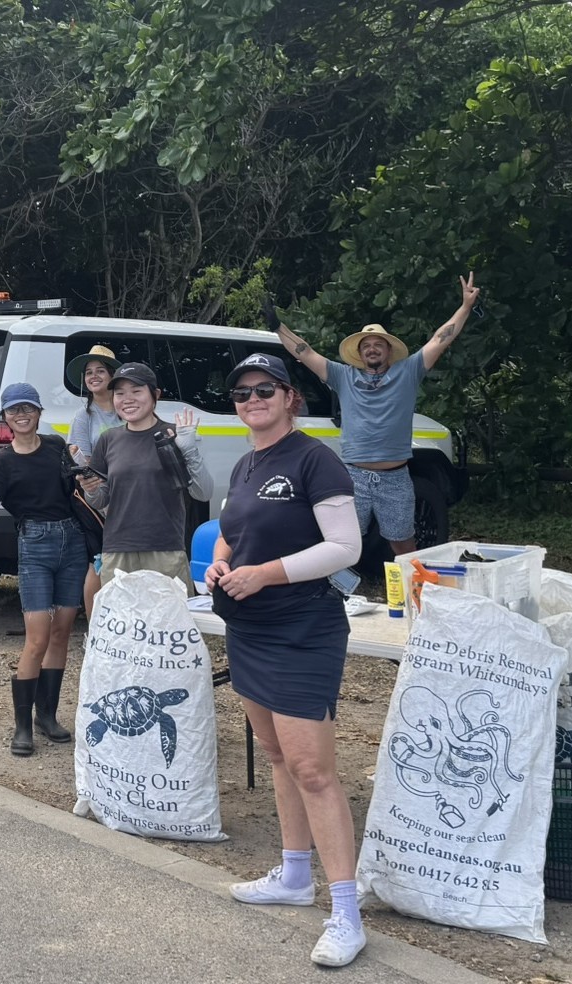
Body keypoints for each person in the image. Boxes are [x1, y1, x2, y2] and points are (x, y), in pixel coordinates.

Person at [202, 352, 365, 967]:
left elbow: (345, 547)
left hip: (302, 628)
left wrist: (267, 574)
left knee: (313, 769)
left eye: (264, 389)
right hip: (248, 624)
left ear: (290, 397)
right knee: (275, 755)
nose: (252, 400)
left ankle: (345, 912)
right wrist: (221, 561)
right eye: (242, 393)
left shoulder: (314, 459)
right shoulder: (246, 463)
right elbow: (230, 532)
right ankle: (295, 877)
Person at [273, 274, 481, 555]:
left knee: (403, 545)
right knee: (340, 546)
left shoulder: (408, 371)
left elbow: (440, 339)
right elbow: (305, 352)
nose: (372, 348)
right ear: (360, 353)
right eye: (366, 345)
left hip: (395, 478)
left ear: (388, 351)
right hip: (353, 476)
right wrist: (278, 327)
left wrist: (466, 306)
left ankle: (413, 595)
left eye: (378, 344)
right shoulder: (342, 375)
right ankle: (336, 596)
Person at [0, 383, 84, 756]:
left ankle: (46, 717)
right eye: (14, 410)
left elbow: (75, 493)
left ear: (38, 413)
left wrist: (81, 469)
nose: (22, 415)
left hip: (72, 541)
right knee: (37, 638)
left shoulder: (56, 446)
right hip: (34, 544)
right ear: (5, 418)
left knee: (62, 631)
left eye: (28, 408)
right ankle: (22, 726)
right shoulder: (0, 462)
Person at [77, 362, 212, 591]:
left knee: (168, 623)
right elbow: (101, 500)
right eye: (119, 393)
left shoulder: (174, 433)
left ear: (155, 394)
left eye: (136, 391)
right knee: (120, 622)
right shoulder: (108, 439)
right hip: (117, 549)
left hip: (165, 549)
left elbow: (203, 491)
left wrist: (188, 449)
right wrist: (90, 489)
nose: (127, 399)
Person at [64, 344, 121, 616]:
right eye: (89, 372)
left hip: (130, 497)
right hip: (95, 498)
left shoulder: (127, 408)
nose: (94, 376)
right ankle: (96, 630)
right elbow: (81, 459)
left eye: (100, 370)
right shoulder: (83, 416)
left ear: (112, 375)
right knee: (97, 562)